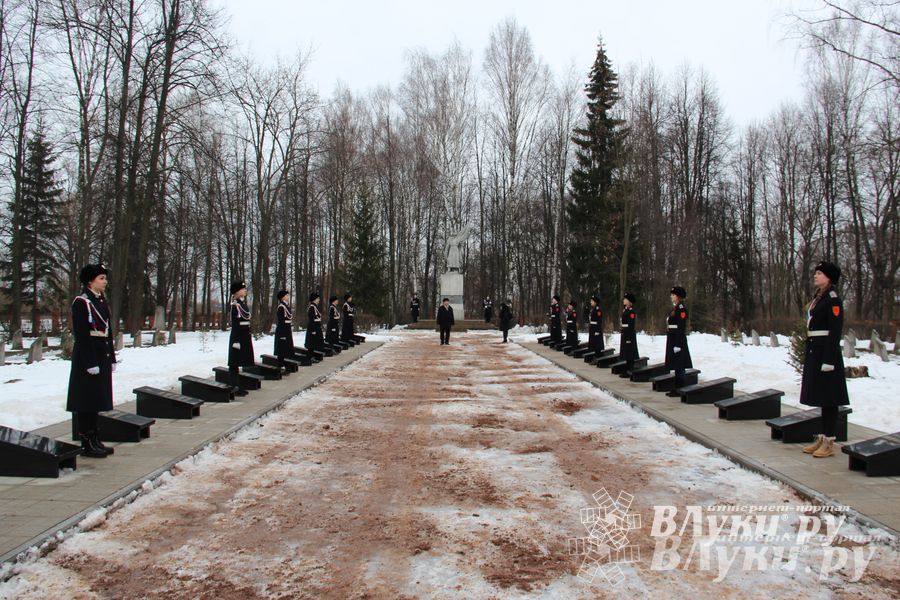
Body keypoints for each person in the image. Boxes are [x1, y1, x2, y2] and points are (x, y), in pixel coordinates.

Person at [800, 261, 850, 459]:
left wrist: (829, 359)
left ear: (829, 277)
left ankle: (829, 441)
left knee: (829, 398)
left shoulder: (833, 299)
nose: (816, 276)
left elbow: (835, 330)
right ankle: (822, 437)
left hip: (826, 354)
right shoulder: (819, 297)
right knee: (822, 396)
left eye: (819, 273)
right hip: (815, 350)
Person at [67, 263, 117, 458]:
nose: (105, 281)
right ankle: (86, 441)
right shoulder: (82, 302)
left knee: (97, 399)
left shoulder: (100, 301)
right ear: (90, 281)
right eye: (101, 278)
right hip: (87, 357)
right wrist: (90, 362)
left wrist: (111, 357)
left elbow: (107, 332)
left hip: (101, 354)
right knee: (86, 400)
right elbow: (82, 334)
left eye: (105, 278)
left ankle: (95, 438)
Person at [228, 280, 254, 396]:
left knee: (241, 360)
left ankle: (238, 386)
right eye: (242, 289)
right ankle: (234, 386)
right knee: (234, 363)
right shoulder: (236, 305)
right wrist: (236, 341)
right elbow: (236, 324)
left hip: (244, 335)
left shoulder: (241, 304)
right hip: (238, 336)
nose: (244, 290)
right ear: (237, 292)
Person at [664, 286, 693, 386]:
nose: (671, 296)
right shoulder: (675, 308)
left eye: (673, 295)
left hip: (678, 339)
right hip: (672, 337)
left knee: (680, 364)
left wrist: (677, 344)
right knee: (676, 364)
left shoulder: (681, 309)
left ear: (678, 296)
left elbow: (681, 327)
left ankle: (680, 387)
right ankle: (676, 387)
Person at [273, 289, 294, 369]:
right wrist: (282, 334)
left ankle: (283, 364)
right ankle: (280, 365)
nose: (288, 296)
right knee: (281, 348)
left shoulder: (285, 306)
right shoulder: (281, 307)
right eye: (286, 295)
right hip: (283, 330)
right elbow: (281, 321)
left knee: (286, 348)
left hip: (286, 329)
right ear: (282, 297)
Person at [620, 293, 639, 366]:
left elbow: (631, 325)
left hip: (629, 333)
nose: (624, 300)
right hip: (625, 332)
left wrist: (627, 334)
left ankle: (630, 368)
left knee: (629, 352)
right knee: (626, 351)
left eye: (625, 299)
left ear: (629, 301)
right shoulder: (625, 310)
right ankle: (627, 367)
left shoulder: (631, 312)